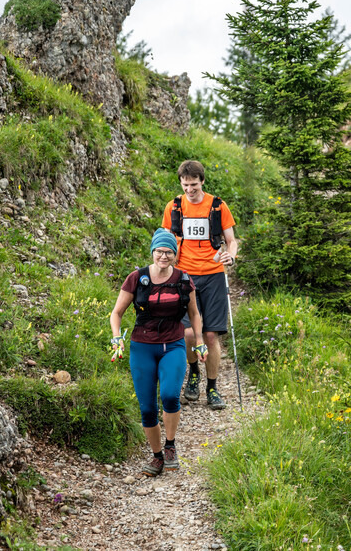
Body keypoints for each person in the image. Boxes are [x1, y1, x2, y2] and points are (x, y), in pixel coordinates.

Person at [108, 228, 208, 476]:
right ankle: (156, 457)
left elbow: (194, 313)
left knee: (170, 395)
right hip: (142, 347)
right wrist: (116, 337)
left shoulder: (184, 280)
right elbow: (116, 313)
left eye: (168, 252)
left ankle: (170, 445)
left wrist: (199, 341)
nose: (163, 256)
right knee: (147, 408)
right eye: (159, 251)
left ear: (175, 254)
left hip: (173, 345)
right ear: (152, 252)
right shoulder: (137, 278)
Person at [161, 159, 238, 410]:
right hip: (184, 276)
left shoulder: (217, 206)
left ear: (202, 181)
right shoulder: (174, 207)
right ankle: (194, 373)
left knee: (211, 335)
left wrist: (231, 256)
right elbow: (165, 240)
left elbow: (231, 240)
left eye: (194, 184)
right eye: (185, 185)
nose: (189, 190)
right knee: (187, 333)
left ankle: (212, 387)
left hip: (214, 274)